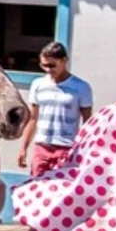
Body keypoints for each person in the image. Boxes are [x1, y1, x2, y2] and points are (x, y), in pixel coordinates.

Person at [17, 41, 93, 177]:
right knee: (37, 187)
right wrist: (23, 148)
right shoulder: (38, 84)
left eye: (52, 65)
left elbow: (87, 122)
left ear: (64, 61)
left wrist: (85, 150)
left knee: (62, 191)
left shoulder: (81, 87)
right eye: (44, 65)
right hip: (42, 147)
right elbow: (33, 119)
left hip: (67, 148)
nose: (48, 70)